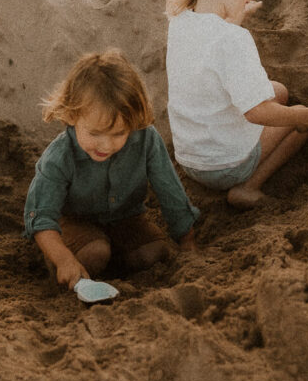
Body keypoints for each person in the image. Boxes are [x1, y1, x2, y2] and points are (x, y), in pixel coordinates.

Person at [164, 0, 308, 209]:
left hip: (191, 160)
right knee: (298, 121)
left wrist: (237, 13)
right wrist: (304, 115)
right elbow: (256, 113)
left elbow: (214, 48)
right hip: (226, 166)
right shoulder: (234, 39)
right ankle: (249, 187)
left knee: (278, 91)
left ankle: (245, 172)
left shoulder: (180, 20)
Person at [23, 49, 199, 292]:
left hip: (126, 218)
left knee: (154, 253)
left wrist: (187, 241)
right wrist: (64, 259)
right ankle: (65, 261)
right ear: (73, 115)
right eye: (95, 133)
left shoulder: (145, 140)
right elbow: (40, 218)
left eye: (119, 134)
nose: (106, 145)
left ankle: (114, 261)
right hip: (74, 223)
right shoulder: (59, 157)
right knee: (95, 253)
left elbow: (170, 192)